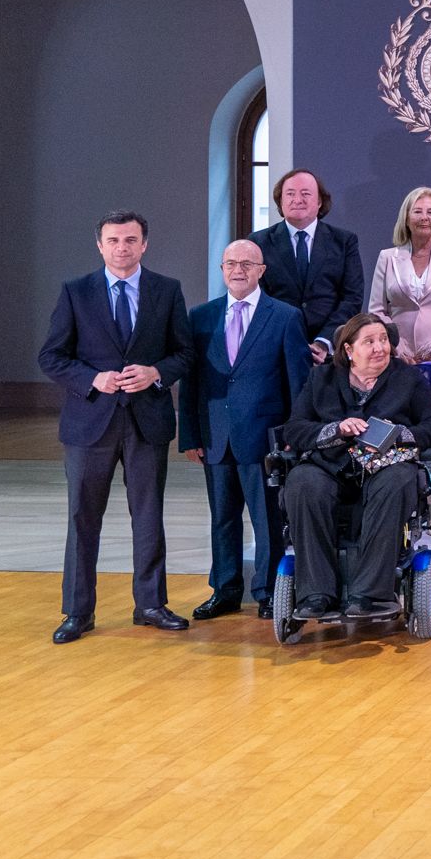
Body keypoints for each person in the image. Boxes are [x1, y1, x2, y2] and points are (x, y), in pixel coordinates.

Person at [40, 210, 195, 644]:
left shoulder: (167, 291)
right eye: (113, 240)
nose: (122, 248)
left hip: (147, 421)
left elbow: (184, 353)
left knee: (148, 516)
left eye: (130, 240)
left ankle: (150, 604)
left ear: (144, 244)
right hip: (91, 422)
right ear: (100, 245)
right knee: (82, 518)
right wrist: (92, 379)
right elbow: (51, 356)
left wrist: (156, 373)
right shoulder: (76, 292)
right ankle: (78, 611)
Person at [278, 313, 431, 619]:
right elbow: (294, 429)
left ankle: (371, 595)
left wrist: (398, 435)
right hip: (331, 465)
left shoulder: (406, 378)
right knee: (303, 482)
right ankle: (316, 594)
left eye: (383, 340)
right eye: (369, 342)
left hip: (386, 466)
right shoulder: (323, 378)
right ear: (348, 350)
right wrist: (337, 429)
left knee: (396, 481)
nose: (379, 347)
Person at [178, 239, 311, 622]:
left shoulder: (284, 316)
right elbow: (191, 383)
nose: (238, 270)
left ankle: (268, 591)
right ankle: (225, 590)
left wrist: (293, 433)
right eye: (231, 263)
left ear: (261, 271)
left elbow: (298, 383)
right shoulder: (201, 316)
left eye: (247, 264)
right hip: (215, 437)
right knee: (222, 517)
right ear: (222, 269)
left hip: (266, 439)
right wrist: (190, 435)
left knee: (267, 520)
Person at [367, 186, 431, 457]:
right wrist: (395, 346)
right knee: (399, 425)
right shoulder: (387, 257)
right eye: (418, 211)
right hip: (398, 359)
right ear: (407, 217)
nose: (424, 217)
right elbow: (377, 310)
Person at [252, 169, 364, 362]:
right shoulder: (259, 242)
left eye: (306, 193)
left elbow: (352, 298)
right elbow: (257, 297)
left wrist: (324, 341)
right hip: (276, 351)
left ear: (319, 202)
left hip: (330, 354)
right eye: (290, 194)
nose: (297, 199)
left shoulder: (344, 242)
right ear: (280, 201)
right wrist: (288, 340)